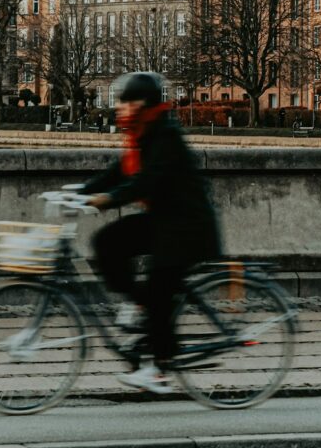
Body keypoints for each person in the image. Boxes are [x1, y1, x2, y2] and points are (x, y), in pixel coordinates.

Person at [82, 72, 222, 394]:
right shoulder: (141, 134)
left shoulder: (165, 135)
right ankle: (139, 303)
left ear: (143, 105)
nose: (119, 108)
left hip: (187, 227)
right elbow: (119, 172)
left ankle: (157, 370)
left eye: (126, 102)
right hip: (164, 220)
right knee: (107, 242)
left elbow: (148, 182)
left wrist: (107, 199)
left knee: (160, 289)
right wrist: (79, 191)